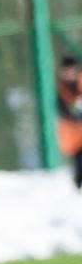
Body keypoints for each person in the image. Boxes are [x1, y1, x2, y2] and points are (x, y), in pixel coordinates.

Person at [56, 56, 82, 189]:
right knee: (78, 165)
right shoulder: (61, 90)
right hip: (73, 136)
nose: (69, 74)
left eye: (71, 70)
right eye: (66, 71)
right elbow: (64, 111)